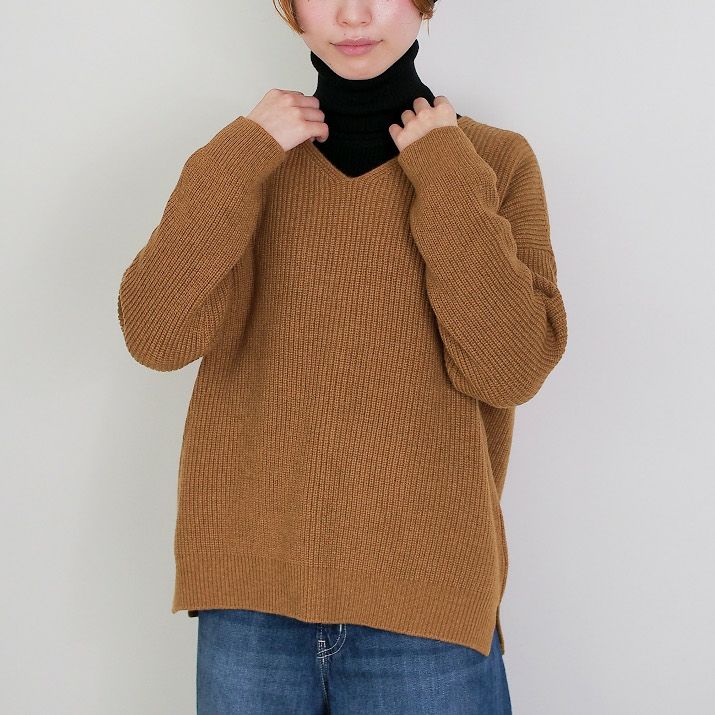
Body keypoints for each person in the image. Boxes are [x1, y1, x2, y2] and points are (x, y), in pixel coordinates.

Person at [117, 0, 568, 712]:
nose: (353, 14)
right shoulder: (251, 160)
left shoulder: (488, 160)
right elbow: (155, 334)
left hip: (426, 609)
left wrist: (443, 169)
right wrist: (241, 157)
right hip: (250, 601)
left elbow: (508, 368)